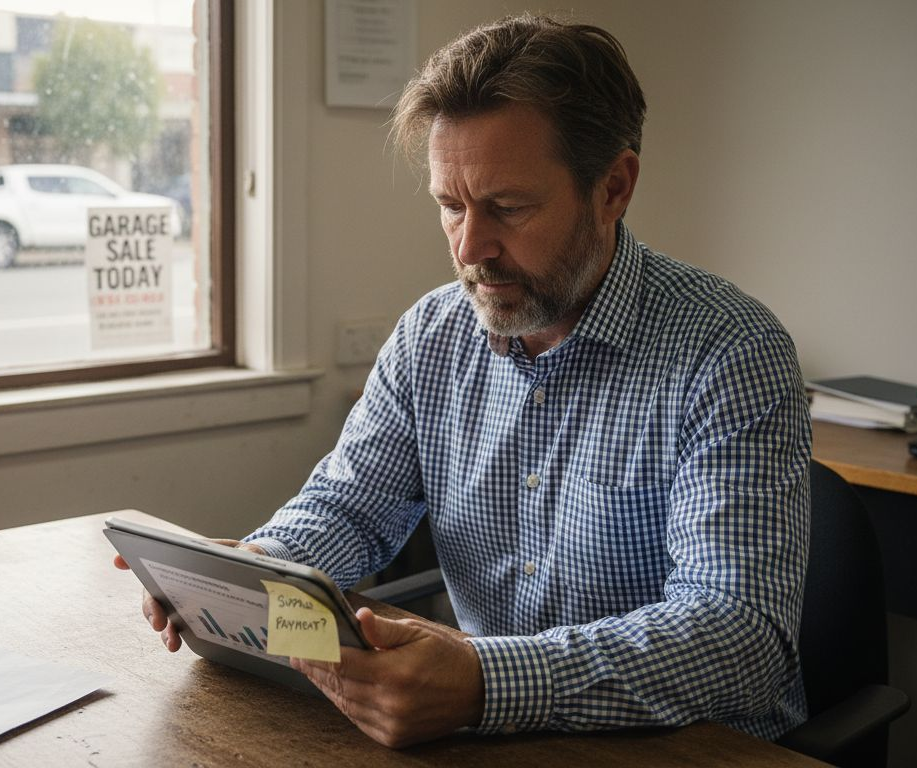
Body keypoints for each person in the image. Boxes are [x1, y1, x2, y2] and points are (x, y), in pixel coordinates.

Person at [117, 13, 811, 749]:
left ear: (613, 187)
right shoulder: (432, 335)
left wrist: (485, 681)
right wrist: (251, 572)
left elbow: (739, 638)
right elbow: (350, 508)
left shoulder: (730, 352)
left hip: (689, 749)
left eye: (508, 208)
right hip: (491, 738)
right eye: (451, 206)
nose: (470, 247)